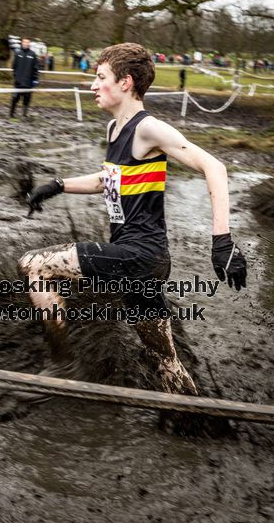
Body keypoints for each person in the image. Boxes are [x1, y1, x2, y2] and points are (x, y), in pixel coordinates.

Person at [19, 43, 247, 395]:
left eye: (100, 77)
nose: (93, 86)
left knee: (35, 265)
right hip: (138, 258)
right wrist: (57, 185)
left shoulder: (149, 128)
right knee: (164, 361)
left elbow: (214, 166)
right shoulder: (115, 129)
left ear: (125, 82)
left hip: (140, 256)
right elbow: (108, 179)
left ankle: (63, 364)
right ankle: (198, 421)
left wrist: (223, 242)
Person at [10, 37, 39, 119]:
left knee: (27, 99)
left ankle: (24, 114)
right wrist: (16, 76)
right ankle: (12, 114)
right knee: (15, 98)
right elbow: (14, 66)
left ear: (29, 43)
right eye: (24, 42)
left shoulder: (33, 54)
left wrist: (35, 79)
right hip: (18, 82)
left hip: (28, 82)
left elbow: (35, 68)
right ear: (22, 43)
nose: (25, 44)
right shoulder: (18, 53)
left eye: (27, 42)